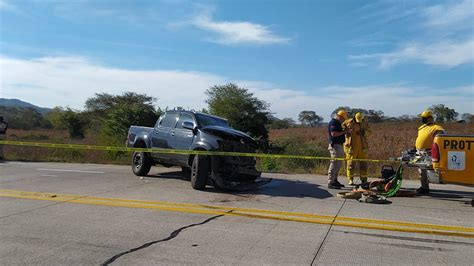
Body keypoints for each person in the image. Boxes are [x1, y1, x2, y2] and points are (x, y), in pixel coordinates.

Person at [415, 110, 445, 194]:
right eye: (422, 118)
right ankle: (424, 187)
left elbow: (441, 138)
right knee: (421, 171)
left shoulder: (437, 128)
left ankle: (427, 186)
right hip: (419, 151)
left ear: (430, 118)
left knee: (430, 170)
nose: (423, 119)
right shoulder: (421, 127)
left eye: (424, 118)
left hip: (429, 152)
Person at [342, 112, 371, 185]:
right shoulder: (348, 122)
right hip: (351, 146)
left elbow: (370, 132)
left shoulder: (364, 123)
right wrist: (346, 133)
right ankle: (350, 179)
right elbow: (341, 129)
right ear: (354, 117)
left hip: (362, 147)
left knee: (363, 164)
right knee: (350, 164)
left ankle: (364, 180)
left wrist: (363, 133)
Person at [327, 110, 347, 189]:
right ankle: (330, 182)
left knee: (338, 164)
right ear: (339, 117)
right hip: (335, 145)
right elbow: (334, 134)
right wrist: (345, 131)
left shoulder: (338, 123)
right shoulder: (333, 123)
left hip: (339, 145)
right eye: (343, 118)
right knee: (334, 163)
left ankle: (335, 180)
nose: (343, 120)